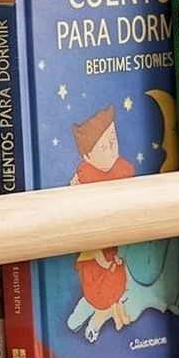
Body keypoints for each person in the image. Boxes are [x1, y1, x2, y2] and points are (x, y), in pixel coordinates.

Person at [66, 106, 135, 342]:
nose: (113, 148)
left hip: (116, 247)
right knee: (95, 293)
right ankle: (83, 314)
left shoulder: (123, 170)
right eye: (104, 147)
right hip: (95, 250)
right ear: (87, 156)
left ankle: (97, 320)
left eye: (113, 140)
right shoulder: (84, 178)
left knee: (117, 288)